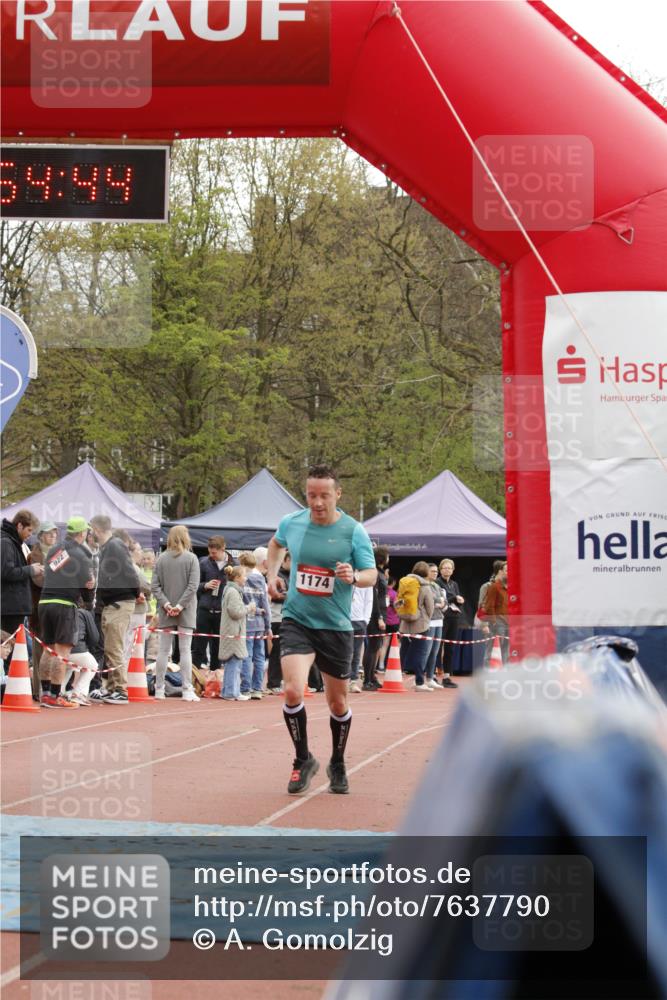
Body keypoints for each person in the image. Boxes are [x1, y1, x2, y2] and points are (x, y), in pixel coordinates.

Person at [266, 464, 377, 796]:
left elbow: (370, 574)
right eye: (311, 495)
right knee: (292, 691)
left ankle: (338, 762)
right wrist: (272, 575)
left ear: (337, 495)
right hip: (298, 618)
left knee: (337, 703)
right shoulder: (292, 523)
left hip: (335, 626)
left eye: (324, 496)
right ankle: (303, 759)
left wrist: (353, 577)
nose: (316, 502)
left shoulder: (353, 531)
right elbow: (275, 544)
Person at [38, 516, 95, 708]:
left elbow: (51, 571)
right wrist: (88, 597)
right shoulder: (82, 554)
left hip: (45, 601)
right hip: (64, 604)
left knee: (48, 649)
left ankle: (45, 693)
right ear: (82, 533)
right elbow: (87, 584)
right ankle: (56, 695)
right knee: (62, 651)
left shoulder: (56, 549)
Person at [91, 515, 140, 704]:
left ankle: (120, 688)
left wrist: (134, 593)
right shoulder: (108, 547)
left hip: (120, 602)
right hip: (113, 602)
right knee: (110, 646)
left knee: (114, 646)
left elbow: (129, 571)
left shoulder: (114, 546)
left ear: (96, 529)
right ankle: (112, 687)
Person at [151, 525, 201, 702]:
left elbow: (155, 586)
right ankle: (187, 688)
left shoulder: (161, 559)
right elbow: (193, 586)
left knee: (163, 650)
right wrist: (180, 606)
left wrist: (166, 604)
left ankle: (159, 688)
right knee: (185, 649)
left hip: (166, 610)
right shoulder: (192, 558)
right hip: (185, 610)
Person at [1, 510, 43, 647]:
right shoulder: (7, 543)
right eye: (29, 530)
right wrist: (30, 570)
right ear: (19, 526)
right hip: (9, 607)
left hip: (12, 606)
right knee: (9, 648)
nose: (30, 534)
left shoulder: (12, 542)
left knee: (11, 648)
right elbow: (6, 572)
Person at [27, 521, 58, 700]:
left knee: (56, 650)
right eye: (49, 533)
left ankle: (54, 689)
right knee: (40, 651)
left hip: (58, 608)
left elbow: (69, 575)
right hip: (39, 610)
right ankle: (38, 690)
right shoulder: (34, 555)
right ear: (41, 536)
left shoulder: (60, 553)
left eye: (54, 533)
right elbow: (38, 581)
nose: (53, 536)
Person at [192, 535, 231, 671]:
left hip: (222, 612)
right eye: (210, 552)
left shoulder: (233, 565)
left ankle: (214, 682)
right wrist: (205, 585)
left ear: (223, 549)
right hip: (204, 610)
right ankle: (193, 680)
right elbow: (194, 585)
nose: (212, 555)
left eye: (214, 553)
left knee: (218, 649)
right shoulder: (203, 563)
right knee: (198, 648)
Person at [219, 564, 256, 701]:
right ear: (237, 578)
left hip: (233, 631)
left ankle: (231, 690)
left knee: (234, 662)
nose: (246, 578)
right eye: (244, 575)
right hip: (233, 631)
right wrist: (249, 608)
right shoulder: (233, 592)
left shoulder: (230, 590)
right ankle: (230, 692)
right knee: (234, 662)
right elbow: (235, 612)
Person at [239, 549, 272, 699]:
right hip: (259, 623)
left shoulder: (241, 580)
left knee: (247, 655)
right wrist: (268, 626)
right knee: (259, 656)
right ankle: (257, 688)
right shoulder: (261, 581)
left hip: (246, 622)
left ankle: (245, 687)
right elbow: (266, 605)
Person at [398, 561, 435, 690]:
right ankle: (419, 682)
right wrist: (426, 619)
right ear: (426, 572)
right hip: (420, 625)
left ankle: (396, 676)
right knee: (420, 653)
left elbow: (398, 602)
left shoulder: (404, 583)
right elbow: (430, 607)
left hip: (404, 623)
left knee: (403, 651)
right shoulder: (425, 586)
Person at [362, 547, 390, 690]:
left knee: (376, 646)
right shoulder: (375, 575)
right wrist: (379, 617)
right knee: (372, 647)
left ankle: (372, 676)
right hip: (375, 615)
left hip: (381, 613)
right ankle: (367, 679)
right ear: (382, 558)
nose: (389, 559)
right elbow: (374, 597)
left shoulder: (381, 574)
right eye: (387, 556)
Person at [62, 604, 101, 705]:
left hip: (59, 649)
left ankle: (59, 693)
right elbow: (94, 638)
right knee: (93, 666)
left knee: (67, 667)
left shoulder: (63, 610)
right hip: (77, 649)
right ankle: (78, 694)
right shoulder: (83, 613)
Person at [266, 551, 291, 694]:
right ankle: (273, 683)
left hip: (286, 617)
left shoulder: (290, 576)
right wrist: (290, 595)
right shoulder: (278, 576)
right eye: (292, 562)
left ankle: (278, 681)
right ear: (285, 560)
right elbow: (274, 596)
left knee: (283, 653)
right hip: (276, 618)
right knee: (276, 653)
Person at [437, 558, 461, 689]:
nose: (447, 570)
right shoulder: (437, 583)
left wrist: (459, 600)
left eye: (449, 568)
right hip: (442, 618)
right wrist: (454, 598)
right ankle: (433, 675)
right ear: (440, 570)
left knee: (450, 648)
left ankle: (447, 676)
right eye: (445, 568)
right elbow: (442, 599)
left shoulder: (454, 584)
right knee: (437, 647)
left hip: (454, 617)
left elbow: (456, 599)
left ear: (453, 570)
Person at [424, 563, 446, 689]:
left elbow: (444, 601)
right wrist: (439, 602)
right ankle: (419, 678)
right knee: (426, 651)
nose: (435, 573)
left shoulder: (437, 586)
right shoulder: (424, 585)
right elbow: (432, 601)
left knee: (435, 651)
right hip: (429, 621)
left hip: (439, 620)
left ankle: (430, 677)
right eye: (432, 571)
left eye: (436, 571)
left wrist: (441, 603)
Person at [484, 560, 509, 662]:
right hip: (498, 624)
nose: (509, 572)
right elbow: (489, 606)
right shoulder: (494, 587)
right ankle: (489, 673)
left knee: (506, 651)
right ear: (500, 572)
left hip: (509, 623)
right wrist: (493, 622)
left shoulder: (512, 587)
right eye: (507, 570)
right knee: (492, 651)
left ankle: (505, 674)